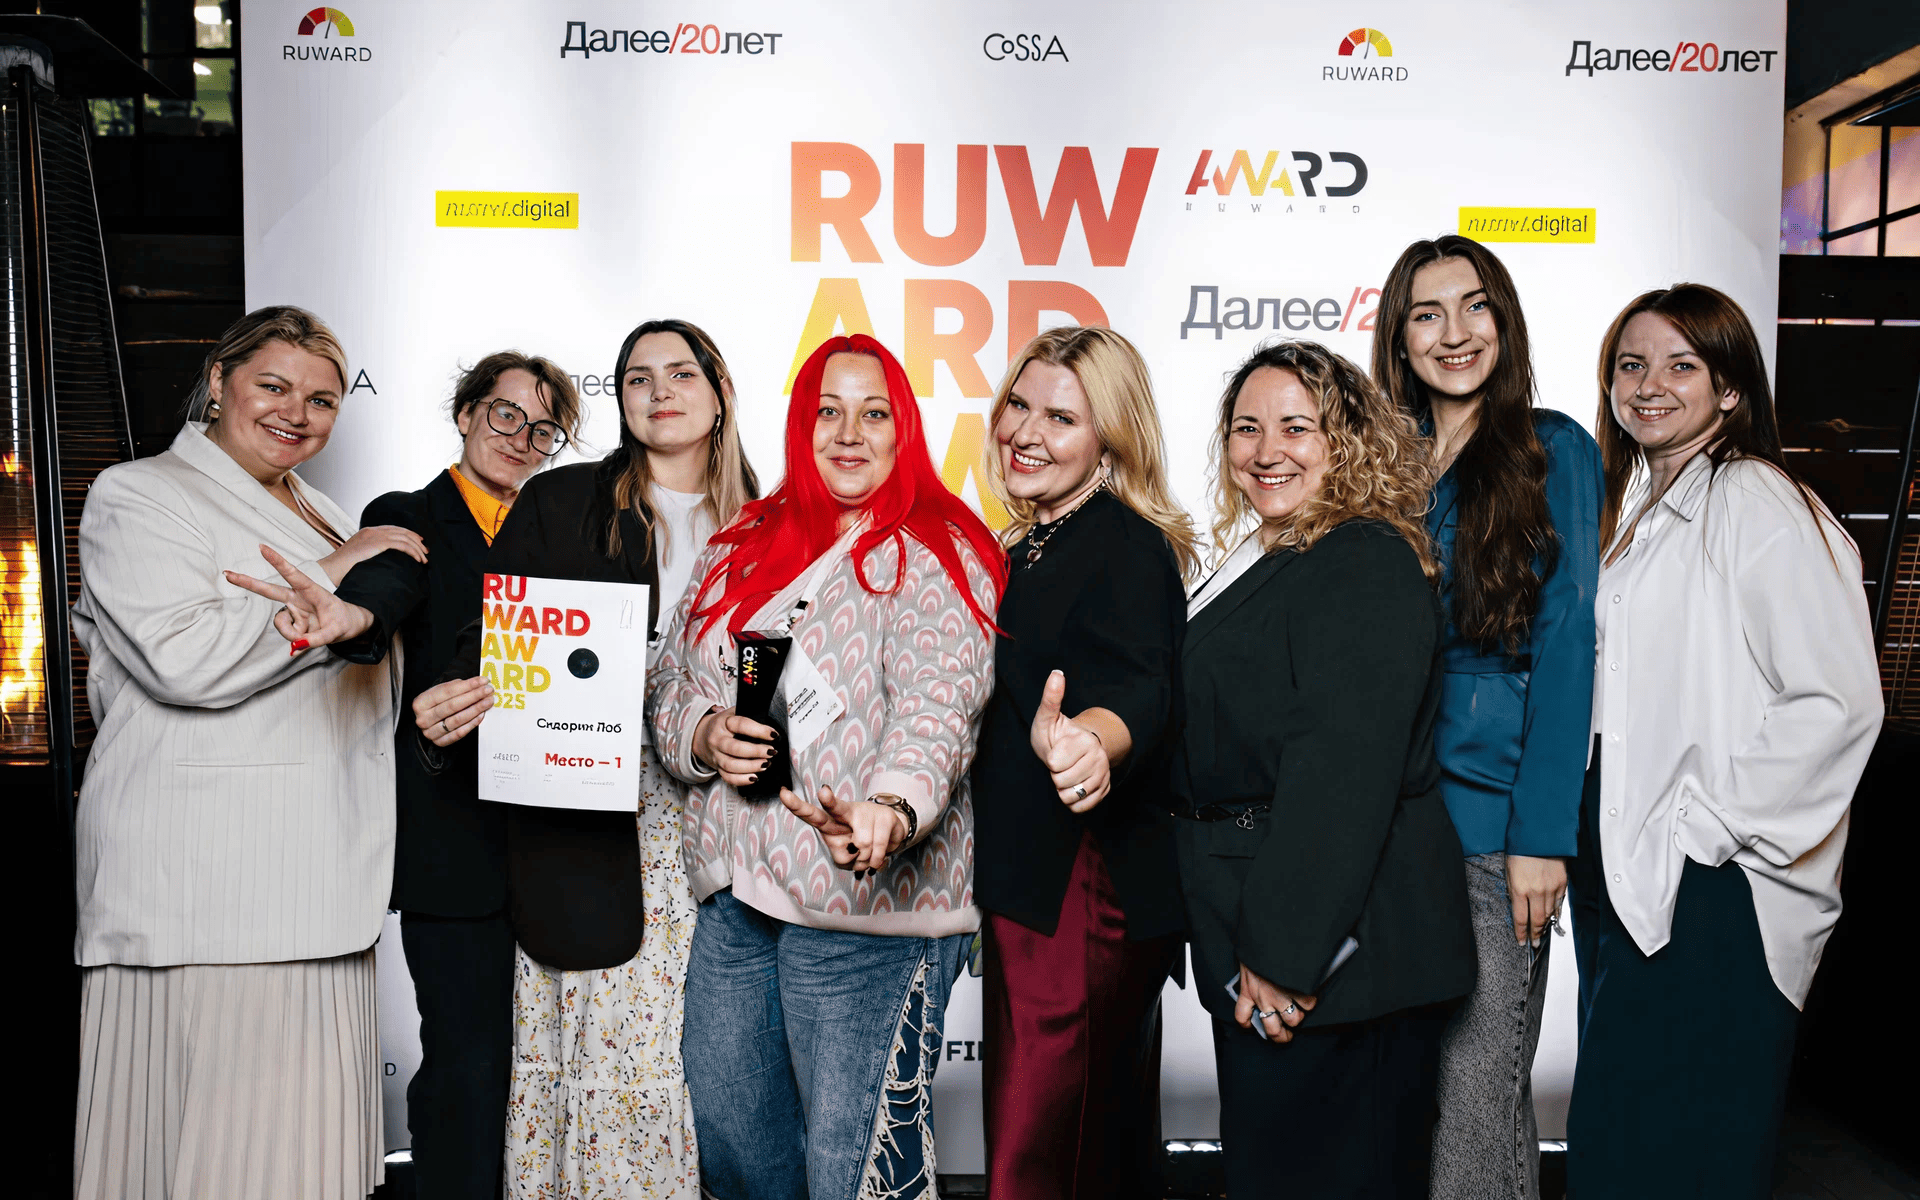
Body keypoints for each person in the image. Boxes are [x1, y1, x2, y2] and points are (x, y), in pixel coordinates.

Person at [259, 319, 758, 1199]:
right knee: (555, 1062)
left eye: (682, 374)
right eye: (638, 377)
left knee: (719, 1066)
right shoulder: (562, 502)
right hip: (583, 827)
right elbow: (480, 633)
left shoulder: (765, 520)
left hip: (729, 826)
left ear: (721, 394)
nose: (660, 392)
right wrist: (384, 644)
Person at [650, 334, 1005, 1200]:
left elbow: (939, 704)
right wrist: (702, 732)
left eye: (874, 413)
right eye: (828, 412)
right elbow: (669, 680)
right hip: (739, 900)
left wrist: (894, 806)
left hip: (865, 917)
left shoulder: (937, 546)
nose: (849, 433)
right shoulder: (743, 541)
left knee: (855, 1169)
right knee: (736, 1150)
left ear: (903, 428)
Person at [70, 306, 413, 1200]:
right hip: (206, 893)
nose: (296, 412)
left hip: (318, 886)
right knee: (204, 1160)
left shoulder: (319, 510)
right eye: (274, 386)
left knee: (304, 1163)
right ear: (220, 382)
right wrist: (341, 569)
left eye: (322, 400)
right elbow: (182, 660)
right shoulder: (138, 494)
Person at [1566, 285, 1882, 1199]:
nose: (1649, 386)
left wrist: (1707, 831)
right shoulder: (1643, 510)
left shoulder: (1755, 498)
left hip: (1714, 884)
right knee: (1624, 1139)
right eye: (1632, 365)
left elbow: (1837, 701)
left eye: (1681, 365)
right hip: (1632, 864)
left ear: (1731, 388)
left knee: (1681, 1148)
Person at [1174, 340, 1476, 1200]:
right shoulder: (1271, 553)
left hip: (1340, 960)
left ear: (1347, 441)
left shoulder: (1362, 557)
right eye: (1247, 428)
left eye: (1296, 427)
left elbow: (1342, 770)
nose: (1267, 450)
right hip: (1272, 932)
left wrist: (1284, 953)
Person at [298, 352, 581, 1200]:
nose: (520, 438)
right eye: (505, 414)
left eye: (543, 430)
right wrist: (351, 616)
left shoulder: (567, 531)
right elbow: (386, 587)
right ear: (465, 414)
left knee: (553, 1067)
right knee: (467, 1064)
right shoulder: (409, 515)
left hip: (559, 844)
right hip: (453, 842)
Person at [1371, 235, 1603, 1200]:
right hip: (1393, 823)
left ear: (1504, 321)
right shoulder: (1384, 464)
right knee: (1417, 1097)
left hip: (1495, 827)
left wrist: (1542, 834)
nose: (1454, 332)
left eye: (1475, 307)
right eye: (1427, 314)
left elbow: (1570, 639)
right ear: (1400, 338)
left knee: (1478, 1090)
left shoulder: (1554, 448)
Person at [969, 326, 1198, 1200]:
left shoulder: (1125, 544)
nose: (1026, 432)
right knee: (1091, 1158)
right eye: (1019, 406)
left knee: (1036, 1165)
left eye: (1061, 418)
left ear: (1111, 438)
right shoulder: (1029, 541)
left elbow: (1142, 684)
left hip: (1082, 895)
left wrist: (1091, 743)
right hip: (1036, 890)